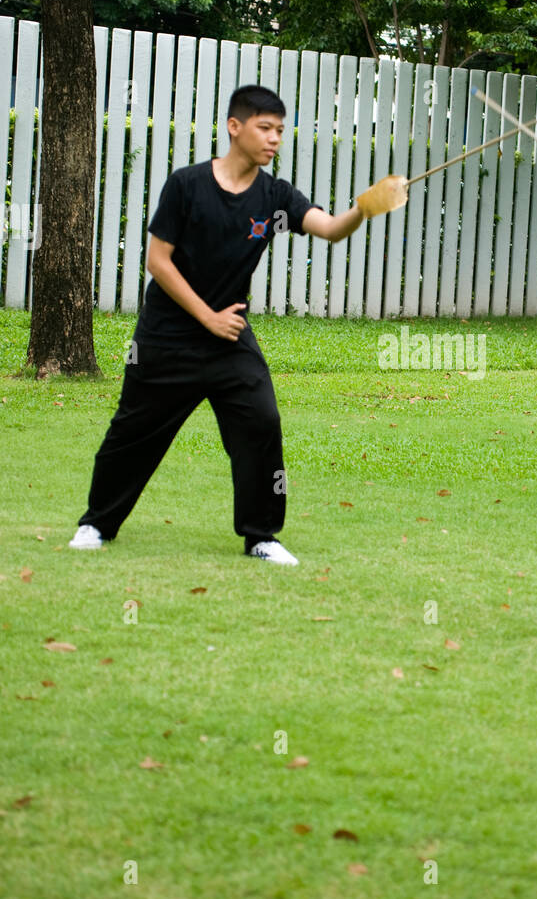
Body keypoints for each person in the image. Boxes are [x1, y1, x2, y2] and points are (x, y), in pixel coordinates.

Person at [70, 84, 407, 564]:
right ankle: (96, 524)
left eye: (280, 131)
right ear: (235, 127)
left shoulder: (275, 196)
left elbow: (330, 229)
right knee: (133, 433)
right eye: (265, 129)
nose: (274, 140)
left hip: (229, 335)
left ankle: (261, 535)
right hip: (168, 336)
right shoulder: (186, 185)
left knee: (261, 424)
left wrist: (365, 206)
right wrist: (206, 316)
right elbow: (157, 261)